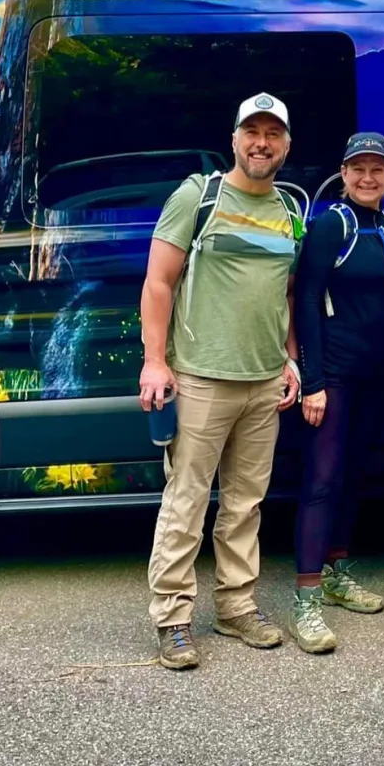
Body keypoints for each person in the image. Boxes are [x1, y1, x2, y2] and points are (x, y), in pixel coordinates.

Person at [139, 92, 302, 670]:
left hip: (263, 381)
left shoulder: (289, 209)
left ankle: (236, 606)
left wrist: (289, 359)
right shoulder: (197, 196)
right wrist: (155, 362)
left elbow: (282, 293)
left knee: (245, 503)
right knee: (186, 500)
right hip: (201, 377)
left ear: (286, 143)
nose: (262, 143)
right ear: (234, 138)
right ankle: (173, 619)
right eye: (252, 132)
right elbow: (159, 282)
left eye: (273, 134)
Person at [289, 132, 384, 653]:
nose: (367, 177)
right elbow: (307, 299)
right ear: (343, 172)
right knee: (321, 480)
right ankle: (307, 600)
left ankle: (338, 574)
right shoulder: (330, 225)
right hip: (333, 377)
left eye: (377, 169)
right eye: (357, 168)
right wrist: (312, 382)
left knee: (353, 477)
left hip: (374, 377)